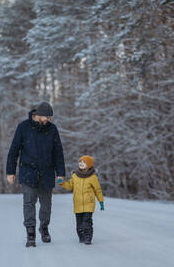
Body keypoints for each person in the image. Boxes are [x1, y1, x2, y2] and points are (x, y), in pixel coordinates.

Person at [6, 101, 65, 247]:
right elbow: (14, 151)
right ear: (38, 115)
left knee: (46, 205)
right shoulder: (23, 127)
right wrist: (10, 171)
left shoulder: (52, 129)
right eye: (47, 117)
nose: (48, 120)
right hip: (28, 172)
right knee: (28, 203)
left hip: (47, 172)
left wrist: (61, 173)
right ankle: (30, 234)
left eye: (50, 118)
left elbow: (58, 153)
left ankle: (44, 228)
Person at [58, 155, 104, 245]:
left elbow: (97, 190)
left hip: (89, 204)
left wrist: (101, 201)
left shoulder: (93, 177)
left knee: (87, 221)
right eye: (80, 162)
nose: (81, 164)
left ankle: (88, 237)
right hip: (78, 204)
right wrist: (62, 183)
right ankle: (81, 237)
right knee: (79, 223)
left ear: (89, 165)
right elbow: (70, 186)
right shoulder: (75, 176)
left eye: (84, 162)